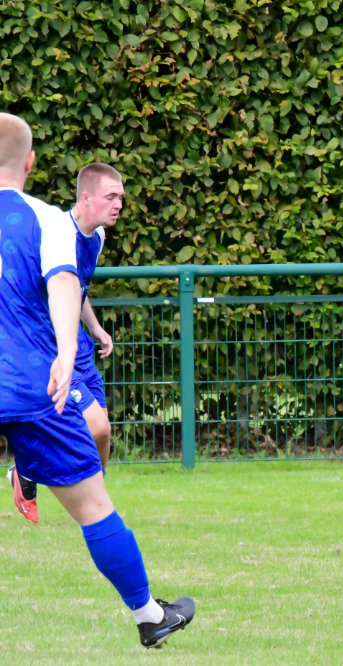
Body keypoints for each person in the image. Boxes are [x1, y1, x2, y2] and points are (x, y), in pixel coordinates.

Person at [0, 112, 195, 648]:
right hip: (32, 385)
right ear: (30, 163)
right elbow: (63, 282)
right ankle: (150, 617)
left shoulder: (78, 229)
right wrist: (67, 352)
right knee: (93, 507)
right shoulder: (45, 219)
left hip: (29, 383)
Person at [8, 162, 120, 523]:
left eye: (120, 197)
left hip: (80, 347)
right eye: (111, 197)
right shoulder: (55, 228)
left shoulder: (97, 237)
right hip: (53, 348)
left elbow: (75, 288)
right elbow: (56, 287)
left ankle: (96, 504)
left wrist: (96, 328)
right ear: (85, 198)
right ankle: (27, 470)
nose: (118, 204)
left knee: (102, 433)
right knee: (95, 426)